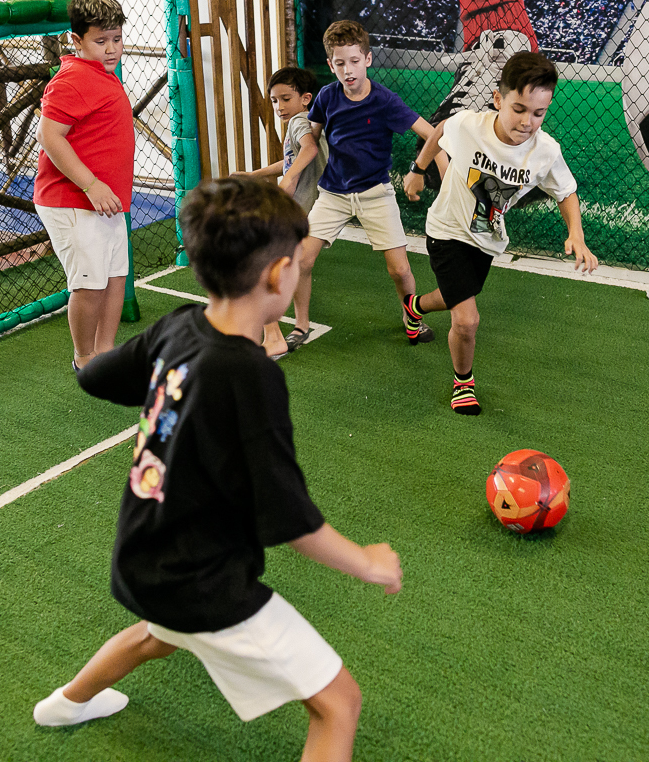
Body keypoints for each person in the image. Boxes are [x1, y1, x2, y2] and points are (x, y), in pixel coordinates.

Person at [33, 178, 403, 762]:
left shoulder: (178, 325)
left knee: (159, 635)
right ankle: (72, 700)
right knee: (338, 704)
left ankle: (67, 702)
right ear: (279, 277)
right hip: (202, 582)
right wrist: (367, 563)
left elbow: (96, 376)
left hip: (144, 560)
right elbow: (287, 516)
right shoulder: (251, 375)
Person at [401, 51, 599, 415]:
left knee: (451, 296)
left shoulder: (546, 151)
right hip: (446, 230)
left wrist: (577, 234)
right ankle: (464, 384)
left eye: (539, 113)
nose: (527, 121)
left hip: (487, 238)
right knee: (467, 319)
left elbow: (567, 191)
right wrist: (417, 169)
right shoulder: (469, 125)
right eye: (519, 109)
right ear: (497, 99)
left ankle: (413, 308)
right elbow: (441, 129)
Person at [287, 20, 447, 351]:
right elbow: (311, 144)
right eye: (340, 63)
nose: (348, 70)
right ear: (331, 64)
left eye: (354, 61)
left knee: (399, 270)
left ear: (368, 59)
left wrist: (440, 175)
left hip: (376, 194)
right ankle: (301, 325)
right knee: (302, 259)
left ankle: (411, 318)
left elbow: (433, 135)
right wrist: (290, 175)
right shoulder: (327, 98)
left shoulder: (386, 101)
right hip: (333, 194)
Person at [34, 0, 133, 371]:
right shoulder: (72, 78)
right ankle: (84, 358)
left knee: (114, 277)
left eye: (117, 39)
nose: (111, 49)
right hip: (72, 199)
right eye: (100, 41)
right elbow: (49, 135)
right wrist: (91, 185)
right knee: (90, 284)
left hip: (106, 200)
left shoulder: (101, 73)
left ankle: (105, 351)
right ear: (77, 40)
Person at [236, 67, 328, 357]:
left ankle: (272, 335)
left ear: (305, 98)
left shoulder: (299, 122)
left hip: (297, 211)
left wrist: (287, 182)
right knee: (301, 266)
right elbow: (292, 160)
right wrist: (255, 174)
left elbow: (308, 151)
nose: (279, 107)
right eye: (274, 100)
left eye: (285, 98)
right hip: (310, 210)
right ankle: (301, 325)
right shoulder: (306, 121)